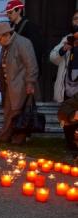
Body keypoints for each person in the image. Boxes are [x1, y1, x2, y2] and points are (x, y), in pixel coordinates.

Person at [0, 22, 38, 145]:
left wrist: (30, 83)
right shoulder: (5, 47)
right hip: (9, 87)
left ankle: (18, 138)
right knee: (8, 113)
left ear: (7, 34)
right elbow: (2, 68)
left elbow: (31, 65)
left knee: (19, 113)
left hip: (21, 86)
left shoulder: (23, 43)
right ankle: (5, 136)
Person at [50, 10, 78, 151]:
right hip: (67, 84)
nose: (77, 21)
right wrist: (64, 49)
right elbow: (53, 58)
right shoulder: (66, 39)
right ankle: (70, 142)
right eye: (75, 19)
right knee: (67, 113)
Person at [5, 0, 43, 73]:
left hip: (26, 71)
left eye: (10, 12)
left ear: (19, 11)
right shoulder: (10, 28)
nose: (8, 15)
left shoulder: (30, 27)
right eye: (7, 13)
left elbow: (36, 51)